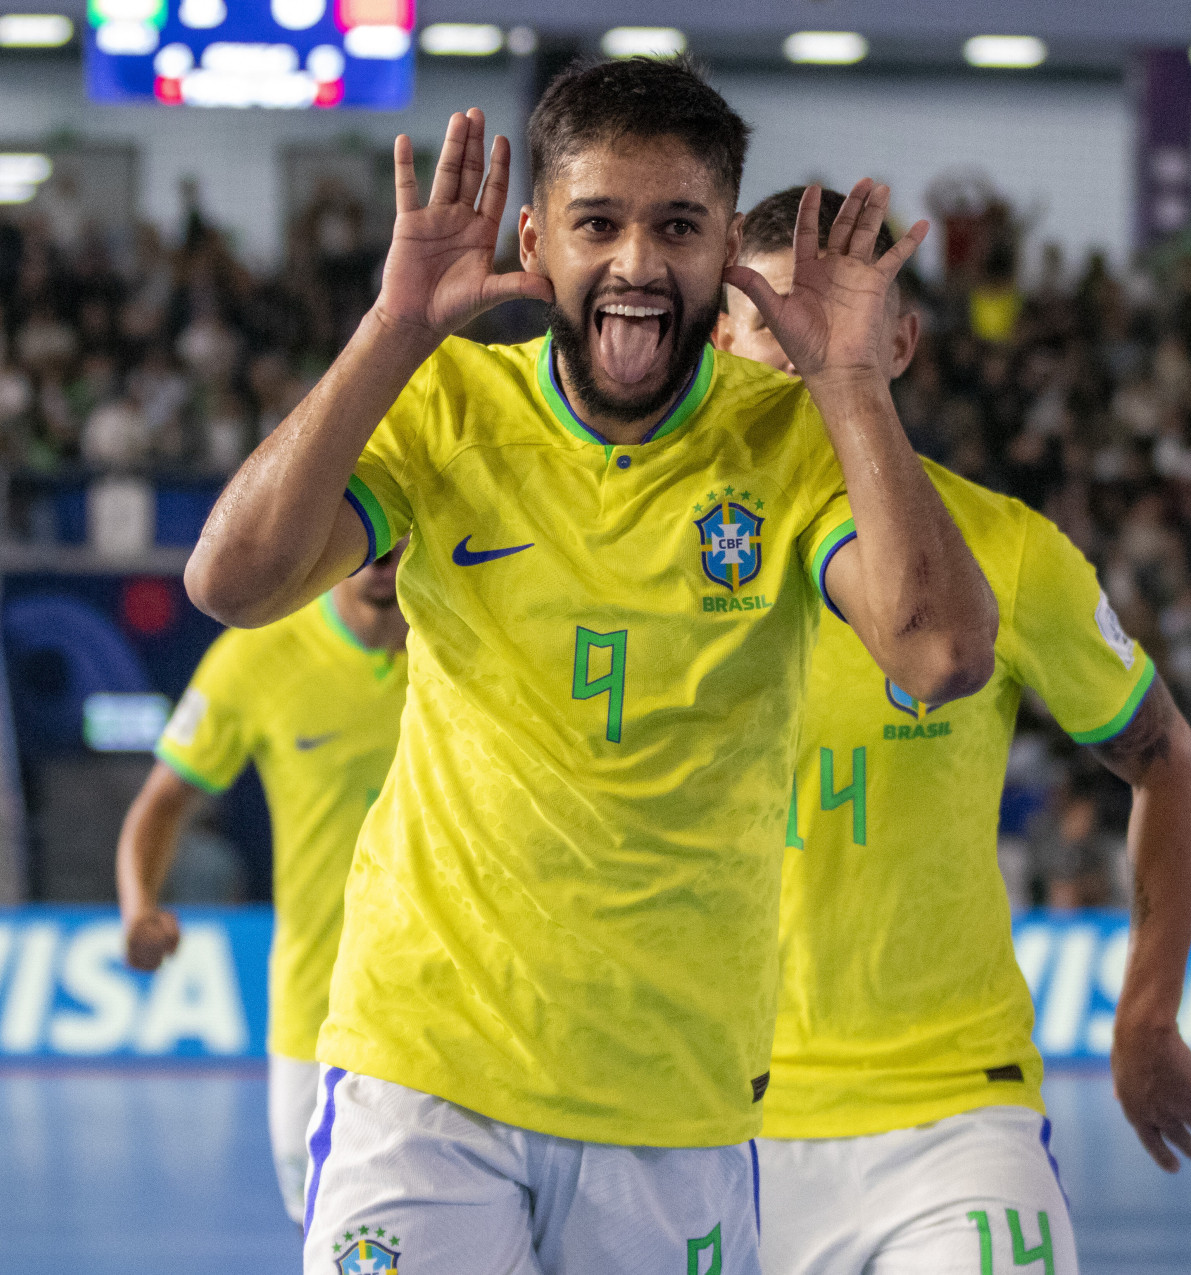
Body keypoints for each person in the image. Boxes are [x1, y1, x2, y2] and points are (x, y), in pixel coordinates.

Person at [185, 56, 997, 1275]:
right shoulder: (447, 399)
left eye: (677, 227)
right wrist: (393, 328)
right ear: (534, 239)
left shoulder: (788, 441)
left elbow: (939, 655)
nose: (634, 263)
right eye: (597, 223)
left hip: (672, 1105)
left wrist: (847, 382)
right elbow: (231, 582)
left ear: (727, 248)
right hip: (426, 1071)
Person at [717, 186, 1191, 1275]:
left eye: (843, 327)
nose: (813, 358)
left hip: (956, 1118)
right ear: (722, 332)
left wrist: (1146, 1014)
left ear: (897, 343)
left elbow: (1169, 766)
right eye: (778, 325)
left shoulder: (1004, 551)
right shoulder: (637, 541)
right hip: (707, 1123)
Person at [116, 545, 408, 1225]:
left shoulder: (467, 636)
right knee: (330, 1236)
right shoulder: (258, 656)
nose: (384, 554)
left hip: (462, 1004)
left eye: (400, 533)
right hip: (320, 1008)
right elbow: (161, 802)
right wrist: (138, 907)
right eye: (372, 532)